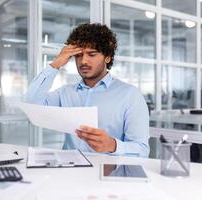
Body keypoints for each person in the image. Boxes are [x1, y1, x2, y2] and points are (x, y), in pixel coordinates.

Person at [26, 23, 149, 157]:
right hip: (69, 171)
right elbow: (32, 105)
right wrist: (55, 64)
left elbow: (142, 150)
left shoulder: (130, 95)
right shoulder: (65, 92)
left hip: (108, 174)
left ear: (107, 57)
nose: (83, 61)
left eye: (91, 54)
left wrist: (112, 145)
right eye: (79, 55)